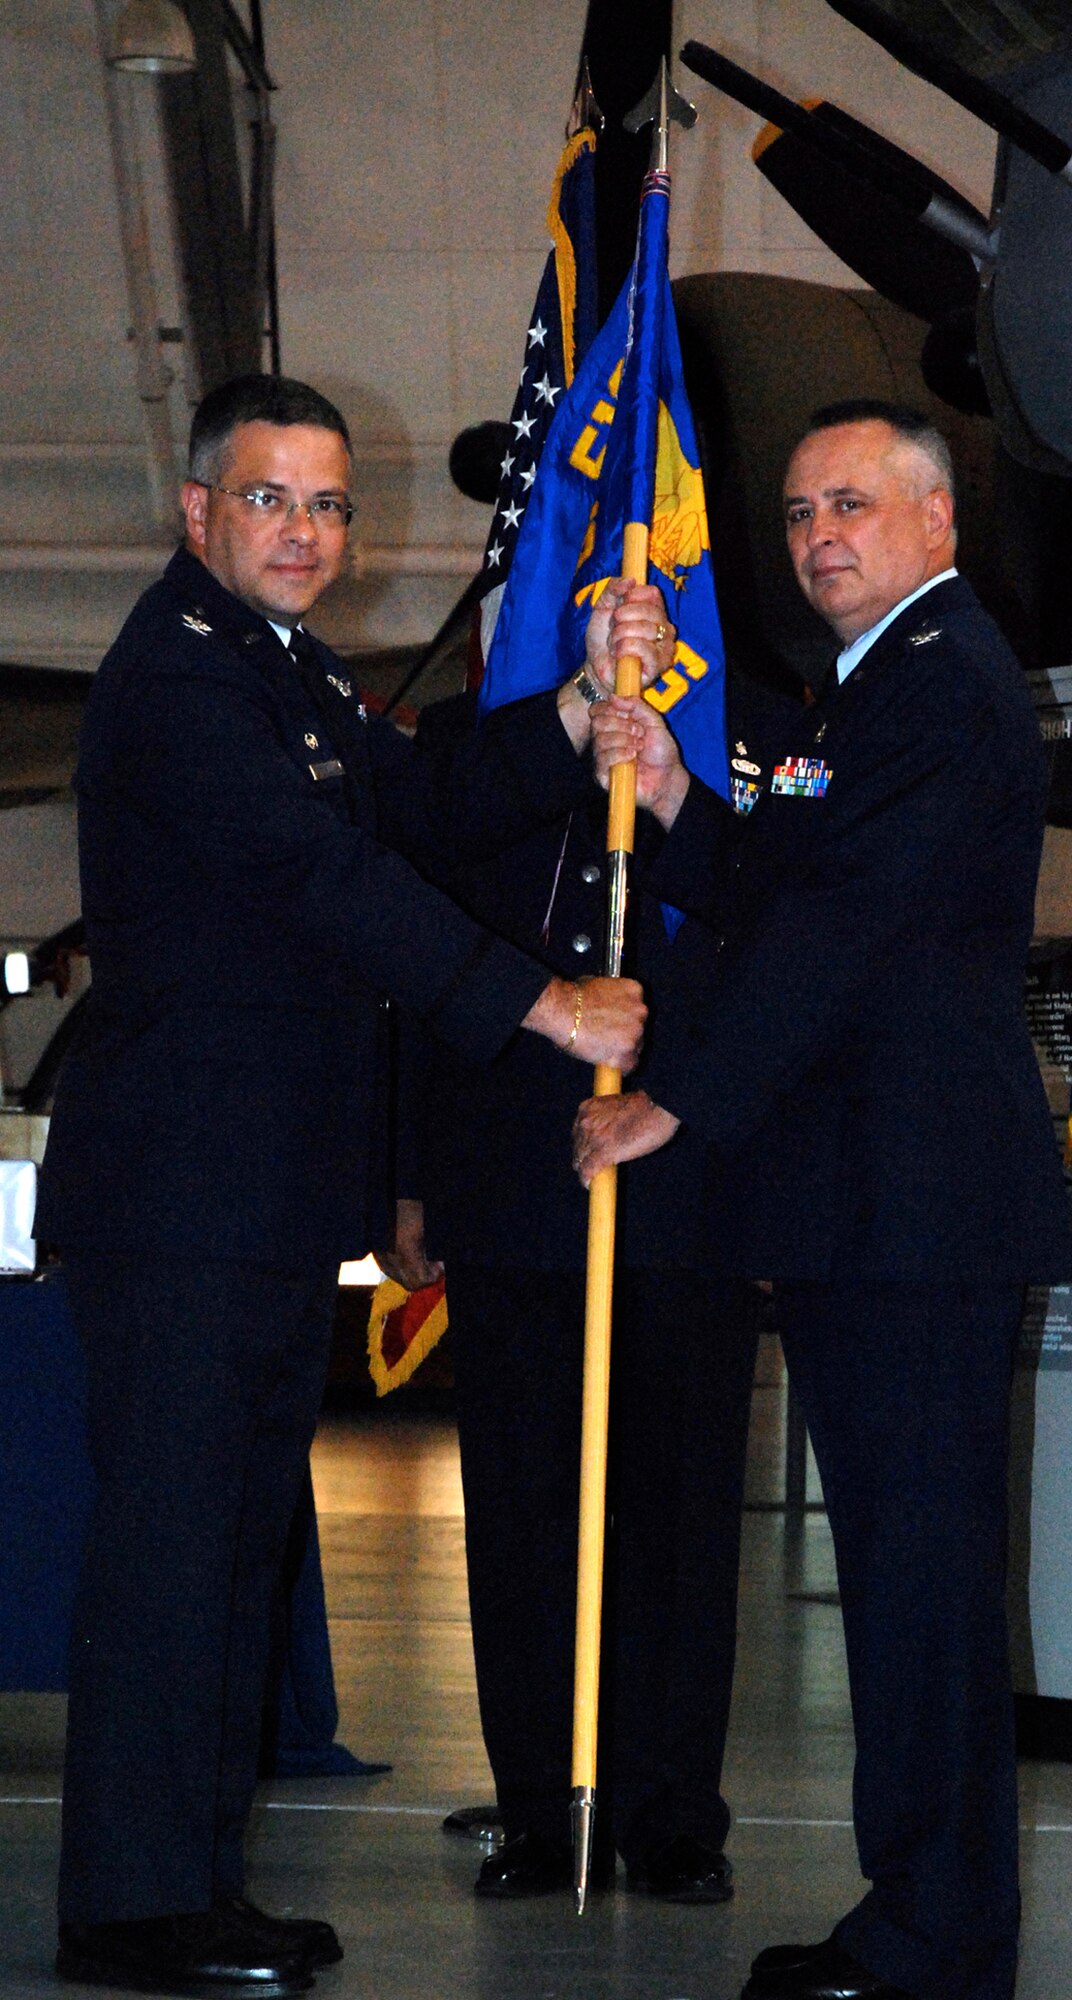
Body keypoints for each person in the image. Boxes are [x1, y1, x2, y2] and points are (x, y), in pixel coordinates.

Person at [35, 373, 645, 2000]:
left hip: (253, 1198)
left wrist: (577, 718)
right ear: (196, 512)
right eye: (268, 500)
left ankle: (188, 1886)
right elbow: (331, 882)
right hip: (179, 1195)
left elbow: (415, 809)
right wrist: (544, 1002)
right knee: (173, 1556)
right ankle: (133, 1910)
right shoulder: (177, 683)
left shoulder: (278, 673)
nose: (303, 534)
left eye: (326, 505)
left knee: (230, 1553)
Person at [572, 401, 1072, 2000]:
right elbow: (794, 868)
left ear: (937, 519)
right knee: (908, 1579)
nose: (815, 539)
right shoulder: (877, 693)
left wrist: (682, 1101)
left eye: (849, 505)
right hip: (879, 1203)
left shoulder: (941, 686)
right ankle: (922, 1916)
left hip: (912, 1205)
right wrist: (666, 796)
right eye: (794, 516)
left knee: (922, 1586)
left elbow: (837, 934)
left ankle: (938, 1939)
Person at [390, 577, 766, 1902]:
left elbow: (770, 943)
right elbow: (408, 971)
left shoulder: (728, 736)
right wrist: (409, 1179)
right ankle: (543, 1810)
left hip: (685, 1183)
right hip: (507, 1177)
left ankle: (669, 1814)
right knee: (524, 1513)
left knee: (676, 1517)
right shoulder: (452, 752)